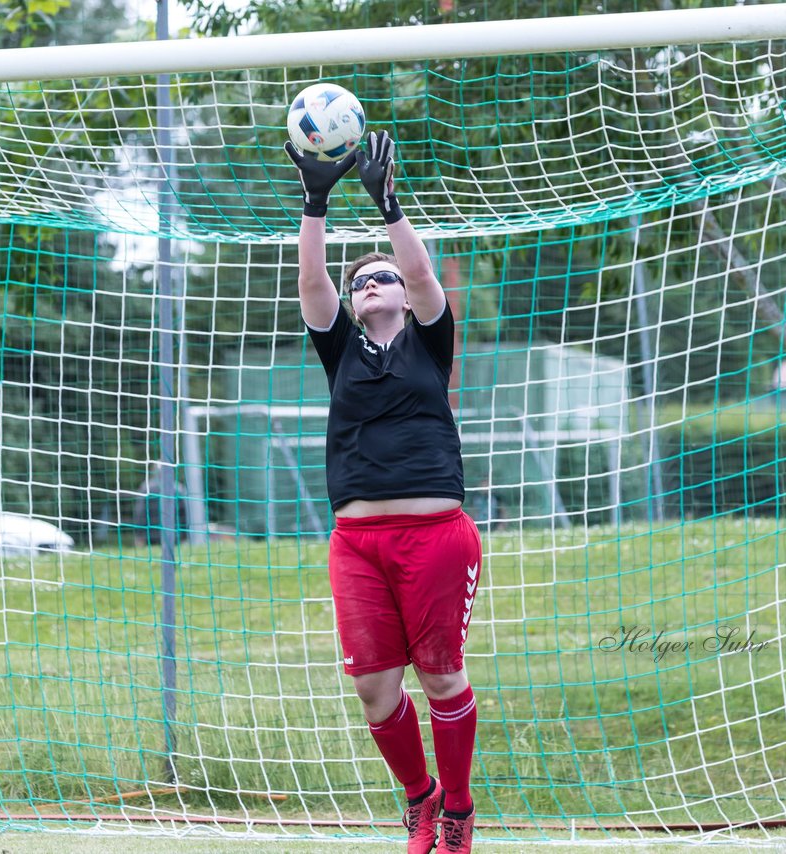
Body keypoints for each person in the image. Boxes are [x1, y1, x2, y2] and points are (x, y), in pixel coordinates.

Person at [285, 131, 482, 854]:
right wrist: (316, 200)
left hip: (435, 536)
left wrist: (387, 205)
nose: (373, 284)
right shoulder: (342, 351)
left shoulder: (430, 339)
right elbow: (312, 286)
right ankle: (422, 800)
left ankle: (457, 812)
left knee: (439, 676)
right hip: (359, 544)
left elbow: (427, 279)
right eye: (361, 280)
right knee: (374, 689)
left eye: (383, 278)